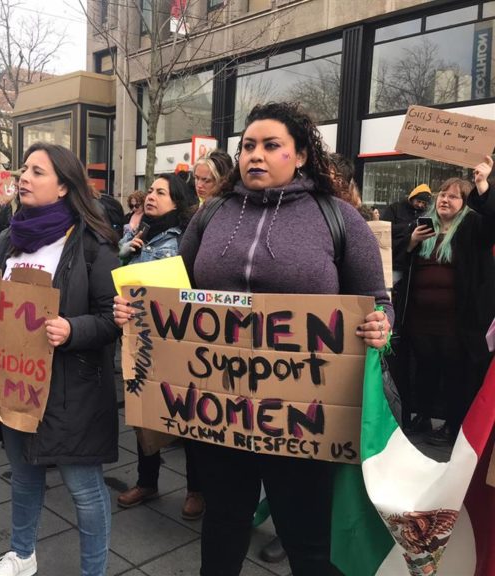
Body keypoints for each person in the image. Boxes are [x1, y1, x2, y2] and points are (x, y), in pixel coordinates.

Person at [114, 102, 391, 576]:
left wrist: (380, 325)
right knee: (223, 522)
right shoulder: (214, 213)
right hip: (221, 412)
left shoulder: (339, 219)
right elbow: (174, 289)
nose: (255, 155)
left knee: (305, 536)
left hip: (303, 417)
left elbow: (377, 300)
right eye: (247, 146)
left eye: (271, 146)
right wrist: (135, 311)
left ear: (300, 154)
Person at [0, 142, 120, 576]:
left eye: (37, 171)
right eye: (24, 169)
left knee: (84, 489)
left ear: (63, 187)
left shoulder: (93, 244)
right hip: (15, 382)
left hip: (70, 389)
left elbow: (111, 319)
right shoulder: (9, 238)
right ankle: (21, 555)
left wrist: (72, 329)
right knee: (23, 475)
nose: (23, 177)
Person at [115, 174, 204, 519]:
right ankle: (147, 481)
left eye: (160, 192)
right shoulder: (136, 232)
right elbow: (120, 280)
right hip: (141, 337)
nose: (151, 196)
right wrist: (123, 255)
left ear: (177, 201)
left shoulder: (184, 239)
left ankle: (196, 489)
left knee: (187, 414)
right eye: (150, 190)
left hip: (177, 338)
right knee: (145, 411)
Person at [396, 172, 495, 445]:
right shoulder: (423, 225)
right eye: (442, 194)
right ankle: (423, 415)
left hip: (457, 321)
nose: (445, 200)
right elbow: (397, 258)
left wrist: (483, 186)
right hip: (420, 319)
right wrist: (412, 241)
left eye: (453, 196)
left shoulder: (473, 227)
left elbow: (492, 224)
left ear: (464, 203)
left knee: (455, 374)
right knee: (425, 369)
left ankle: (453, 425)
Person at [381, 183, 432, 288]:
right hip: (393, 259)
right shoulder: (394, 208)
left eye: (424, 203)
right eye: (419, 201)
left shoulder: (425, 214)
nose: (421, 205)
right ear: (412, 198)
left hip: (412, 264)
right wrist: (409, 227)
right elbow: (384, 229)